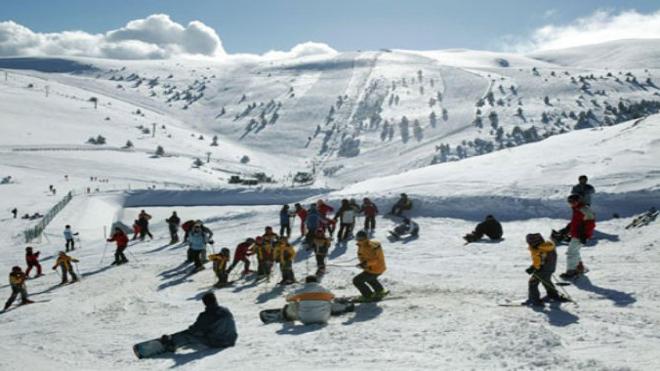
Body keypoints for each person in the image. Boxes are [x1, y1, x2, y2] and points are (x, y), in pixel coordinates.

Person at [159, 292, 237, 353]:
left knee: (188, 334)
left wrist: (190, 330)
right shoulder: (225, 310)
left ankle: (172, 343)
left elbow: (195, 330)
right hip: (231, 340)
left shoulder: (206, 315)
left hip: (219, 342)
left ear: (205, 303)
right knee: (208, 330)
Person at [281, 276, 354, 325]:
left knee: (294, 303)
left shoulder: (300, 291)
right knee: (328, 302)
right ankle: (345, 307)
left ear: (306, 282)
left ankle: (288, 314)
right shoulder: (324, 290)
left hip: (305, 320)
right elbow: (332, 297)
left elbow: (288, 299)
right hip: (323, 319)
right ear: (316, 281)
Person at [523, 233, 565, 306]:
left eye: (529, 243)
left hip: (542, 269)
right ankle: (553, 295)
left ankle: (534, 300)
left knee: (532, 282)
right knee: (546, 281)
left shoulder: (537, 249)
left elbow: (538, 261)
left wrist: (533, 268)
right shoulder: (548, 246)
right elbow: (543, 259)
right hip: (550, 267)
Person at [560, 194, 596, 280]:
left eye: (573, 202)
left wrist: (585, 235)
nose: (571, 204)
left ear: (578, 201)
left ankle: (571, 271)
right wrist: (567, 228)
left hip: (580, 235)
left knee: (571, 252)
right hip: (576, 234)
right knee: (575, 251)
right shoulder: (576, 209)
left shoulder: (584, 209)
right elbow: (576, 222)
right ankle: (579, 267)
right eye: (570, 202)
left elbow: (591, 224)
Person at [353, 230, 387, 301]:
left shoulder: (368, 247)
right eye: (358, 237)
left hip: (374, 269)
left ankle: (368, 296)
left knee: (357, 280)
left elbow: (375, 260)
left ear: (364, 238)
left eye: (360, 238)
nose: (358, 239)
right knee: (370, 279)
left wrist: (364, 264)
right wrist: (363, 263)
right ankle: (380, 291)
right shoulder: (367, 244)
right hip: (378, 267)